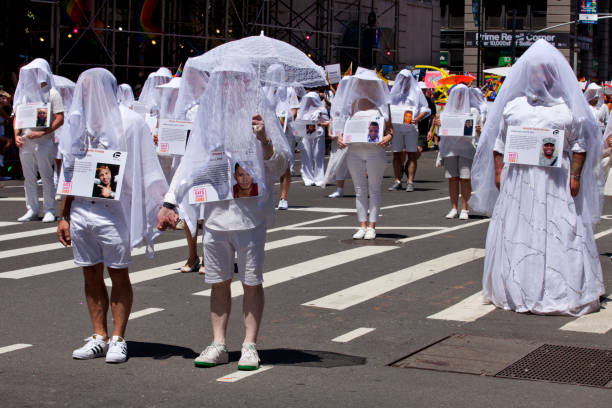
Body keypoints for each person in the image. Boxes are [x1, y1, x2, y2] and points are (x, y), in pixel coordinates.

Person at [157, 58, 290, 371]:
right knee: (218, 282)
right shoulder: (209, 117)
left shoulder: (261, 111)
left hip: (250, 216)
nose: (229, 85)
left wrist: (264, 140)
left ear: (246, 82)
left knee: (251, 281)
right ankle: (218, 343)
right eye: (224, 80)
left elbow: (281, 165)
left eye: (236, 79)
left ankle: (249, 345)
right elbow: (190, 165)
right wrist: (171, 202)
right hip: (215, 215)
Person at [470, 39, 604, 316]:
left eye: (542, 70)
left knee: (560, 231)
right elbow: (499, 142)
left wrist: (576, 176)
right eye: (531, 70)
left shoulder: (567, 109)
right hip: (519, 180)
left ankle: (559, 289)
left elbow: (579, 144)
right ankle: (518, 286)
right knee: (520, 231)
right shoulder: (514, 106)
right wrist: (498, 171)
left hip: (556, 180)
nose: (536, 76)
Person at [56, 68, 168, 362]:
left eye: (94, 87)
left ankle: (118, 336)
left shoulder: (131, 123)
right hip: (82, 209)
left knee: (118, 273)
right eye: (85, 87)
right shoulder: (77, 124)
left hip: (115, 211)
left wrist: (164, 206)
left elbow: (149, 168)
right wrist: (64, 214)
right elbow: (68, 172)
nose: (89, 93)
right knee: (90, 272)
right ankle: (98, 335)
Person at [336, 67, 393, 240]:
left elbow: (391, 129)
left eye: (368, 84)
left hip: (375, 151)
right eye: (362, 83)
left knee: (374, 188)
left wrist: (388, 137)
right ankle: (361, 224)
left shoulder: (382, 104)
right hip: (354, 150)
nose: (364, 86)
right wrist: (340, 137)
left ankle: (372, 225)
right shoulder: (353, 104)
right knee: (359, 189)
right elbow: (344, 126)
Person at [12, 58, 65, 223]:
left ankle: (49, 209)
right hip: (26, 140)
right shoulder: (24, 94)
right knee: (29, 177)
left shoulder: (52, 93)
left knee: (46, 174)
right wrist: (16, 135)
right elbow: (16, 117)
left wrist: (43, 132)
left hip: (44, 140)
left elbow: (60, 118)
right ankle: (32, 208)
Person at [437, 84, 481, 220]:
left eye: (463, 94)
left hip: (466, 148)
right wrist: (438, 124)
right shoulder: (445, 113)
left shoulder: (473, 111)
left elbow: (479, 132)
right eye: (457, 94)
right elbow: (441, 134)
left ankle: (465, 208)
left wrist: (478, 130)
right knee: (452, 179)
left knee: (465, 179)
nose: (460, 97)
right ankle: (454, 207)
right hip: (450, 148)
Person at [388, 70, 431, 192]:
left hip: (411, 128)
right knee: (396, 154)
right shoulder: (394, 93)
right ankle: (397, 180)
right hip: (396, 127)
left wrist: (417, 118)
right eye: (401, 78)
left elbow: (426, 108)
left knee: (411, 154)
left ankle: (410, 181)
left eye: (406, 78)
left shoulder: (416, 92)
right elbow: (388, 107)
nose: (403, 81)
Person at [296, 91, 329, 186]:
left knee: (318, 154)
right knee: (307, 155)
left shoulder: (322, 109)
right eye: (308, 99)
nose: (309, 101)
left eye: (312, 99)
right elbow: (298, 123)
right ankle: (308, 177)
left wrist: (320, 122)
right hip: (306, 135)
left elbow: (327, 122)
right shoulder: (302, 110)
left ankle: (319, 177)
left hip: (318, 134)